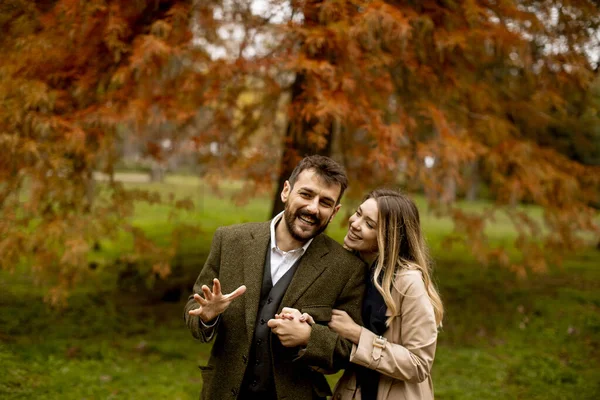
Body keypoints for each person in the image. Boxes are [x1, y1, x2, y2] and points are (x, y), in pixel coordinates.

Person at [184, 155, 366, 400]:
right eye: (306, 194)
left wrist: (310, 338)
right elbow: (195, 308)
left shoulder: (347, 269)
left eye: (325, 202)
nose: (313, 208)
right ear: (286, 191)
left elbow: (349, 349)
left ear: (334, 212)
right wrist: (207, 316)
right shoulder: (230, 241)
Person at [279, 189, 443, 400]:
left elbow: (419, 365)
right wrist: (310, 329)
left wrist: (357, 333)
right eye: (358, 213)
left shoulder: (408, 282)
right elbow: (343, 352)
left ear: (389, 237)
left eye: (369, 224)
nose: (355, 224)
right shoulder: (352, 271)